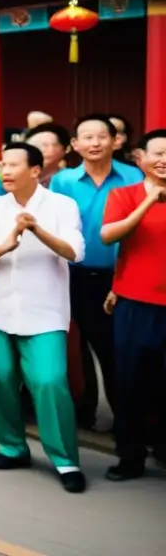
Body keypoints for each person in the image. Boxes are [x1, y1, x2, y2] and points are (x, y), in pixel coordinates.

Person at [0, 143, 86, 493]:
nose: (4, 171)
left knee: (50, 380)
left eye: (13, 165)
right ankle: (11, 447)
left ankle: (65, 460)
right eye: (2, 165)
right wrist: (10, 241)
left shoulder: (61, 206)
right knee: (0, 378)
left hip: (45, 311)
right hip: (0, 309)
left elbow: (75, 252)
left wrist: (36, 230)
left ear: (36, 170)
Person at [49, 115, 143, 430]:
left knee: (117, 350)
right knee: (77, 347)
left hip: (119, 276)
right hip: (73, 274)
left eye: (102, 136)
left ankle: (127, 421)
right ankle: (84, 410)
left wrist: (121, 279)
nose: (94, 143)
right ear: (74, 145)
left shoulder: (133, 177)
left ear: (115, 140)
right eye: (86, 137)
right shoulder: (62, 182)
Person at [100, 129, 166, 481]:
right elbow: (110, 235)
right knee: (131, 384)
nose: (164, 160)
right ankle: (130, 456)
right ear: (141, 158)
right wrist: (149, 201)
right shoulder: (123, 195)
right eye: (157, 152)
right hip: (135, 302)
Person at [25, 123, 71, 187]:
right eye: (33, 146)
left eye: (45, 145)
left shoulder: (70, 182)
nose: (38, 150)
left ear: (65, 149)